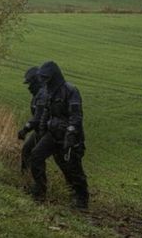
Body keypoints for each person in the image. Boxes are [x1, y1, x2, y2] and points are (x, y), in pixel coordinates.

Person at [28, 61, 89, 209]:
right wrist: (42, 131)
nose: (42, 81)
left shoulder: (71, 90)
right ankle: (40, 190)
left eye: (45, 77)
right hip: (52, 133)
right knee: (35, 156)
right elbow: (45, 113)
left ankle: (81, 198)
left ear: (53, 76)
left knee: (73, 167)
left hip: (69, 135)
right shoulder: (48, 91)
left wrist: (71, 133)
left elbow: (76, 116)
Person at [17, 66, 45, 173]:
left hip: (48, 132)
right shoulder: (38, 94)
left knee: (37, 156)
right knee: (27, 150)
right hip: (40, 131)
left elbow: (38, 117)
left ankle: (39, 185)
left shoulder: (43, 95)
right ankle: (26, 177)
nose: (29, 87)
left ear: (36, 81)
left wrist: (25, 129)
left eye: (30, 84)